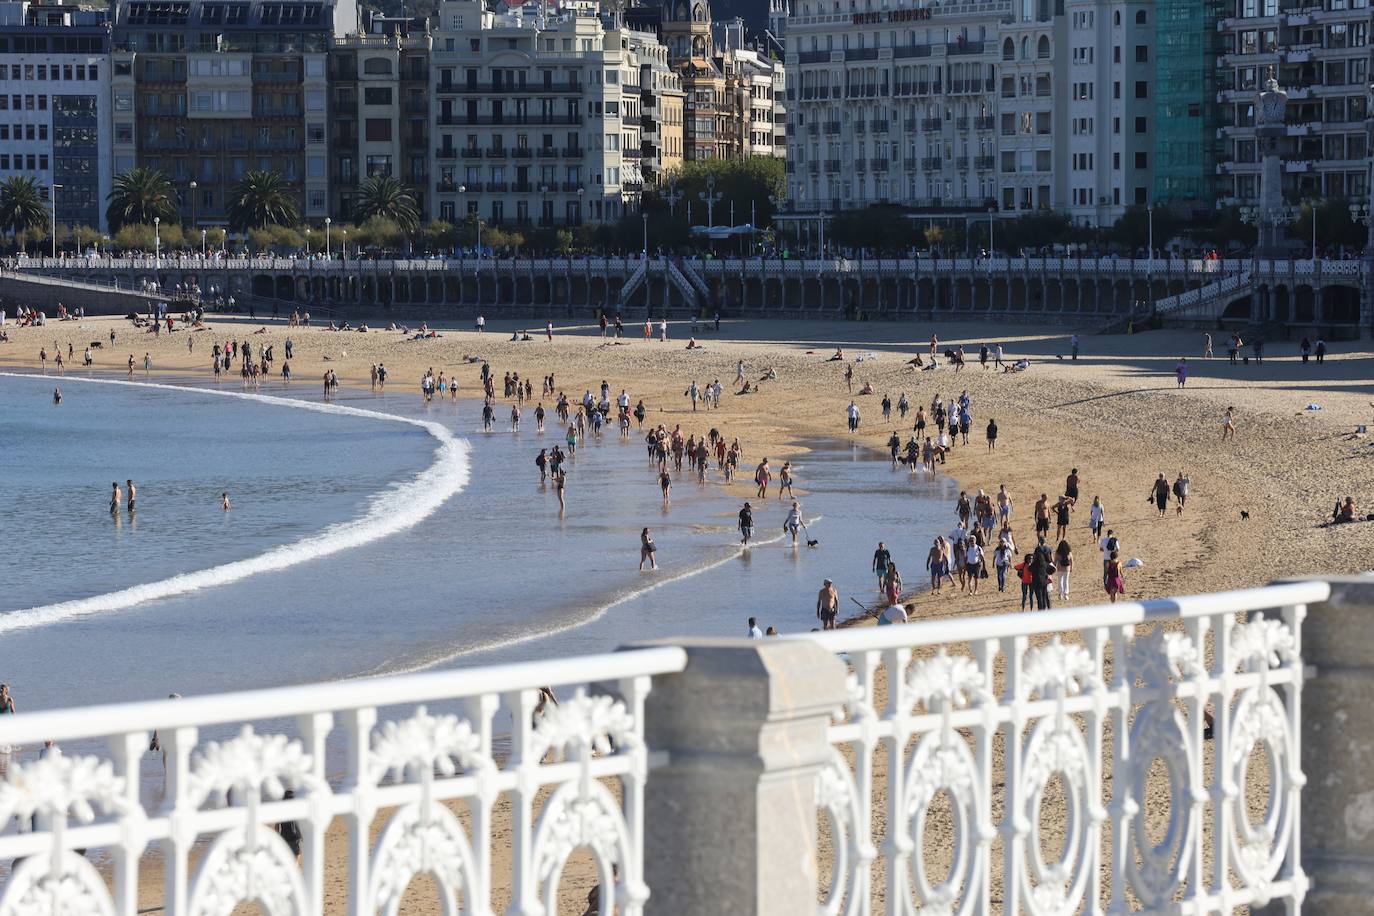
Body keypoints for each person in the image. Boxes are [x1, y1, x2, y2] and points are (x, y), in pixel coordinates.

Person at [275, 789, 304, 861]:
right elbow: (302, 824)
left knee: (286, 855)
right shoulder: (297, 809)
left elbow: (277, 826)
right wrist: (302, 835)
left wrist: (277, 836)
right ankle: (295, 866)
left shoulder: (280, 810)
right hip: (296, 836)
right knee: (297, 855)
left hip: (285, 835)